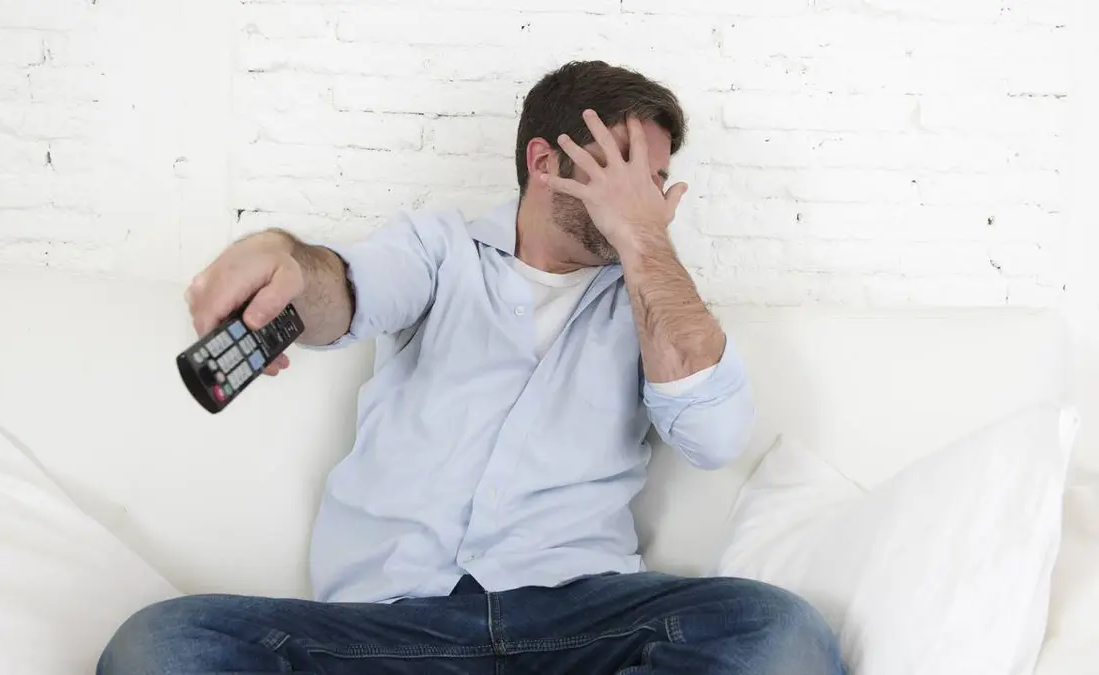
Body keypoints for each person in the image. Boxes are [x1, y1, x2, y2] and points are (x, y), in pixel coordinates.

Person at [99, 61, 844, 675]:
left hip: (578, 626)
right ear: (544, 163)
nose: (642, 197)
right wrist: (285, 259)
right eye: (618, 167)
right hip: (384, 632)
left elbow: (715, 435)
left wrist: (645, 242)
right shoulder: (438, 250)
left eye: (653, 179)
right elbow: (346, 290)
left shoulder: (653, 299)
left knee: (778, 632)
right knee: (162, 644)